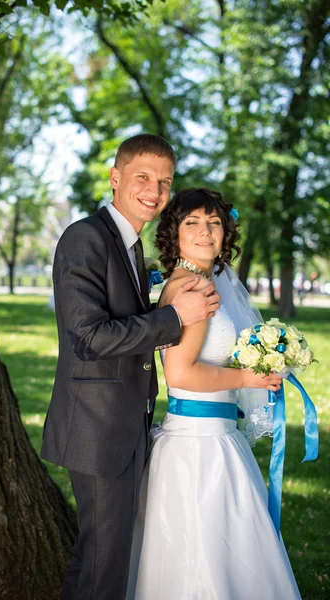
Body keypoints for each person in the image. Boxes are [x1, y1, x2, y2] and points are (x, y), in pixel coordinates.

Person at [40, 135, 221, 600]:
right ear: (115, 178)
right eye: (143, 177)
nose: (155, 191)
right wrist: (175, 318)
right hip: (97, 429)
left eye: (164, 182)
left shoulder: (132, 246)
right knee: (103, 563)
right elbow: (88, 338)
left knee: (106, 556)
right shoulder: (86, 237)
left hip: (125, 425)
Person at [126, 188, 301, 600]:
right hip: (200, 447)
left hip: (207, 436)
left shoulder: (195, 281)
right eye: (193, 223)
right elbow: (181, 373)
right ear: (175, 234)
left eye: (214, 223)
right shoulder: (193, 290)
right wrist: (248, 379)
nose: (206, 232)